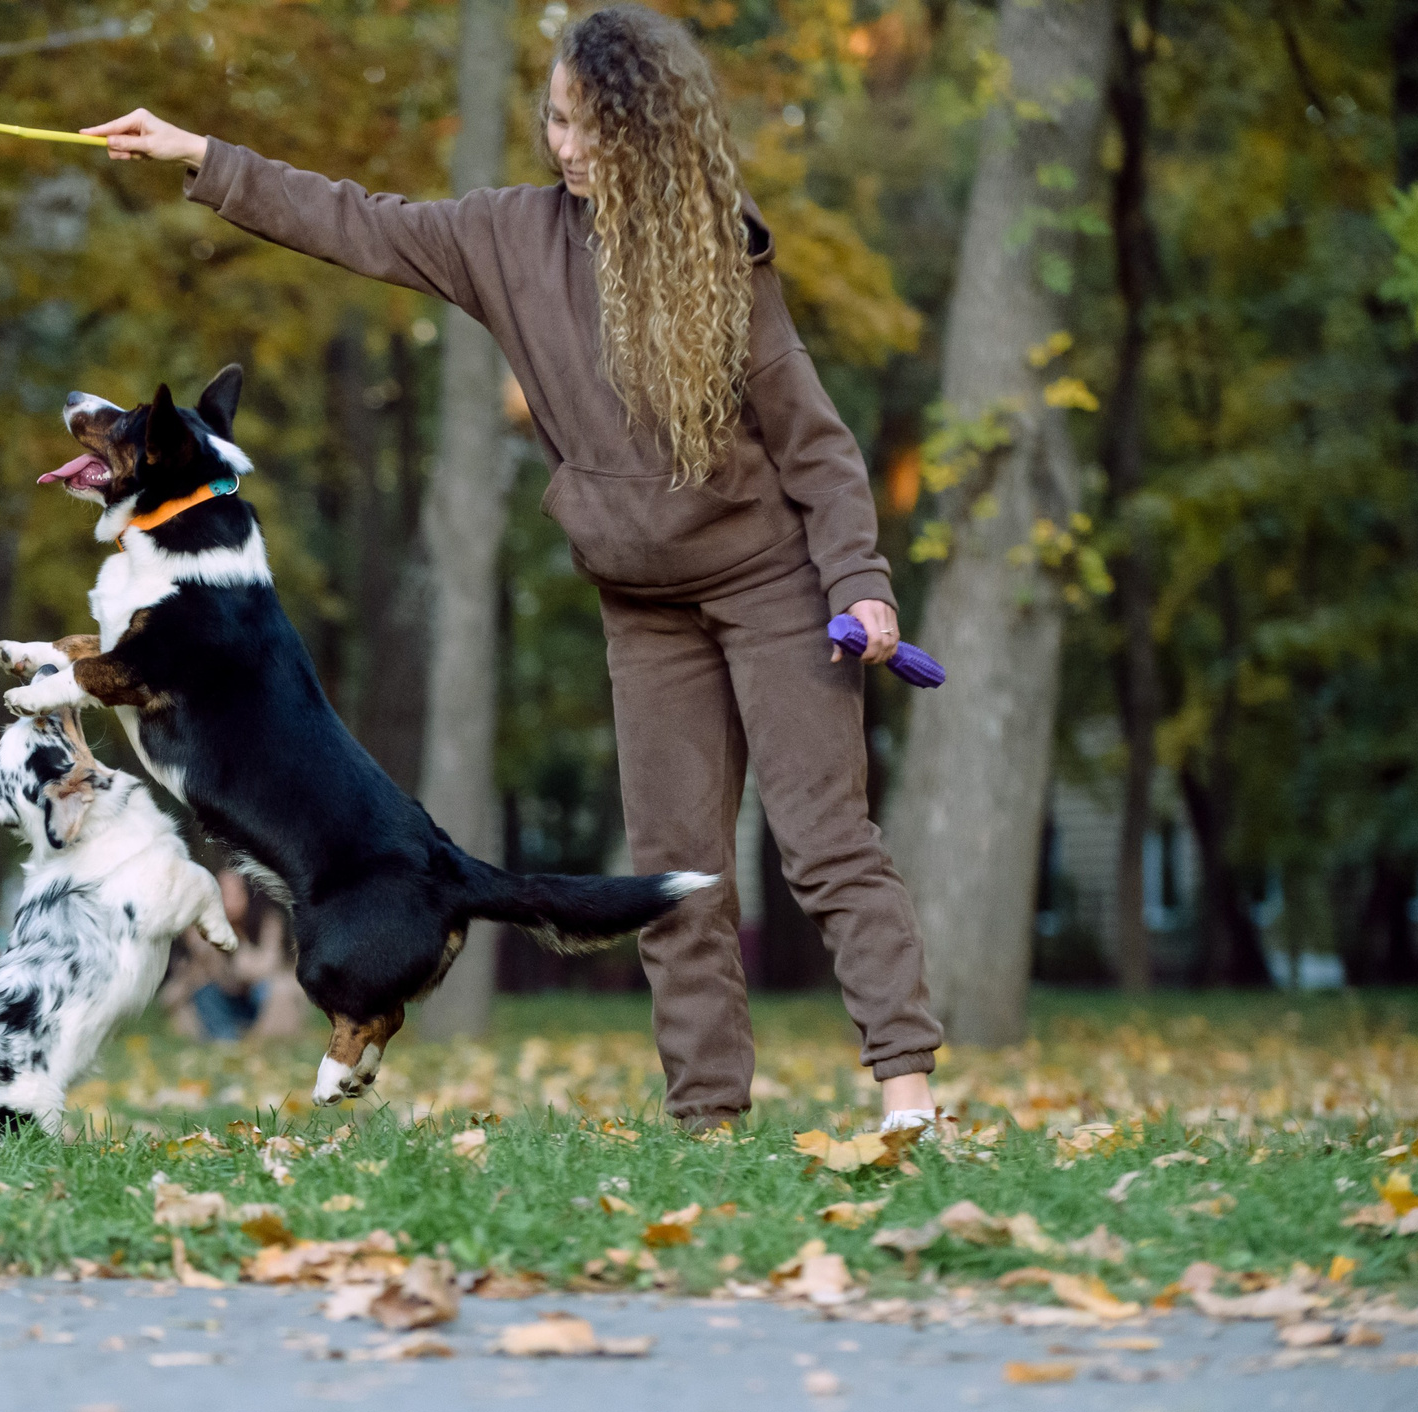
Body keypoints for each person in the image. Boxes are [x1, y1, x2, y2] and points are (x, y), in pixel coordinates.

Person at [84, 5, 941, 1131]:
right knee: (676, 870)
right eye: (553, 120)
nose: (565, 146)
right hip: (643, 607)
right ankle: (708, 1123)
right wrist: (204, 156)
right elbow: (357, 221)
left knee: (825, 847)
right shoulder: (507, 239)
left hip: (772, 585)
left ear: (649, 137)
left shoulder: (724, 258)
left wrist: (859, 583)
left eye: (591, 129)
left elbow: (815, 443)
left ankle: (909, 1101)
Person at [160, 868, 309, 1042]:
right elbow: (178, 989)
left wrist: (237, 946)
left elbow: (265, 967)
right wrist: (204, 951)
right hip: (223, 1002)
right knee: (204, 990)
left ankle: (265, 1039)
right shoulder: (203, 929)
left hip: (260, 1002)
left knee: (272, 988)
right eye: (221, 893)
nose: (226, 901)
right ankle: (225, 1039)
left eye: (233, 893)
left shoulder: (267, 921)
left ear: (247, 893)